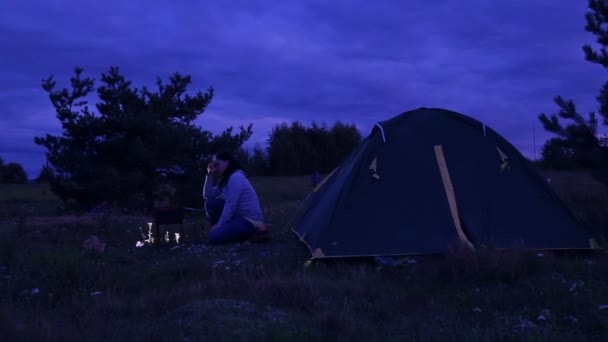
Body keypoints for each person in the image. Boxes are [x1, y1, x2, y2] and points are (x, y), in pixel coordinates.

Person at [202, 151, 267, 244]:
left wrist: (220, 224)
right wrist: (209, 175)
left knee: (213, 237)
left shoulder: (236, 177)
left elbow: (231, 203)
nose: (216, 168)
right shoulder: (225, 179)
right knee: (211, 203)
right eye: (214, 165)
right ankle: (221, 229)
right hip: (237, 216)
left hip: (249, 220)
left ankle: (254, 231)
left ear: (227, 162)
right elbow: (207, 195)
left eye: (217, 165)